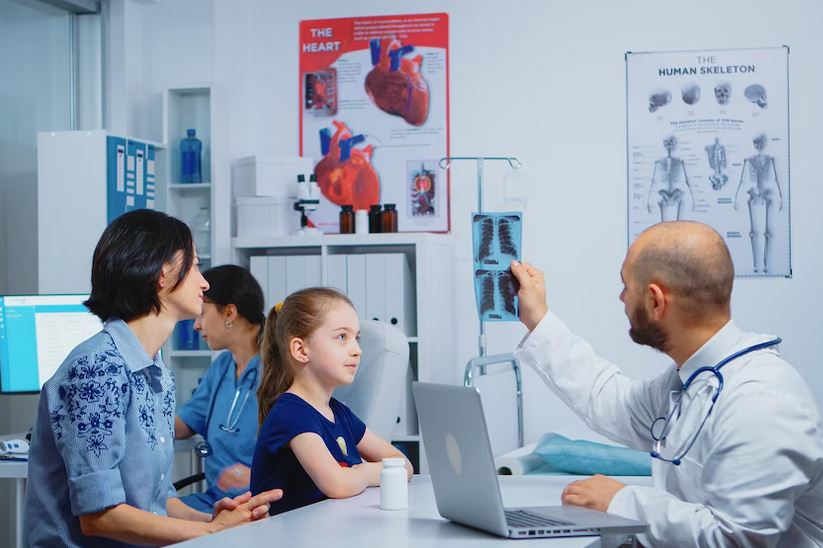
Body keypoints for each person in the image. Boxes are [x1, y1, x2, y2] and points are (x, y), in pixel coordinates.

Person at [510, 221, 823, 547]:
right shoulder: (696, 378)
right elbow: (614, 402)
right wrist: (539, 320)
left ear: (656, 301)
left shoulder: (761, 401)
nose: (621, 298)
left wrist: (621, 502)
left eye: (625, 286)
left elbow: (737, 540)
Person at [24, 209, 282, 547]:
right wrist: (212, 532)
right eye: (194, 266)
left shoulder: (156, 372)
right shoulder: (96, 369)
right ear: (163, 273)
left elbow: (158, 502)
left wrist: (217, 520)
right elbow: (100, 516)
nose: (204, 283)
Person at [250, 287, 412, 515]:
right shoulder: (291, 414)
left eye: (357, 338)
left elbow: (404, 465)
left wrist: (359, 473)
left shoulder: (339, 413)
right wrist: (368, 471)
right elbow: (337, 484)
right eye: (342, 337)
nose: (357, 350)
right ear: (300, 349)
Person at [175, 265, 266, 512]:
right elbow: (184, 425)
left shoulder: (278, 372)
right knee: (146, 516)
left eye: (202, 313)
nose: (196, 325)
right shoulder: (223, 367)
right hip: (215, 500)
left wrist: (258, 475)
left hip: (257, 503)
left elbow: (302, 449)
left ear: (229, 313)